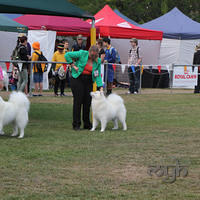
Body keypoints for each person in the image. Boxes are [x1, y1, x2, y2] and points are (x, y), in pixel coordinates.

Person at [65, 45, 103, 131]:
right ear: (89, 51)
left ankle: (87, 123)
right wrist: (72, 65)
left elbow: (98, 75)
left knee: (87, 102)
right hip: (77, 78)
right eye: (91, 55)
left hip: (89, 80)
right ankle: (76, 124)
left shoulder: (98, 61)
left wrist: (100, 86)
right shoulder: (82, 53)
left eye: (94, 56)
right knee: (78, 100)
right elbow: (67, 55)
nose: (92, 57)